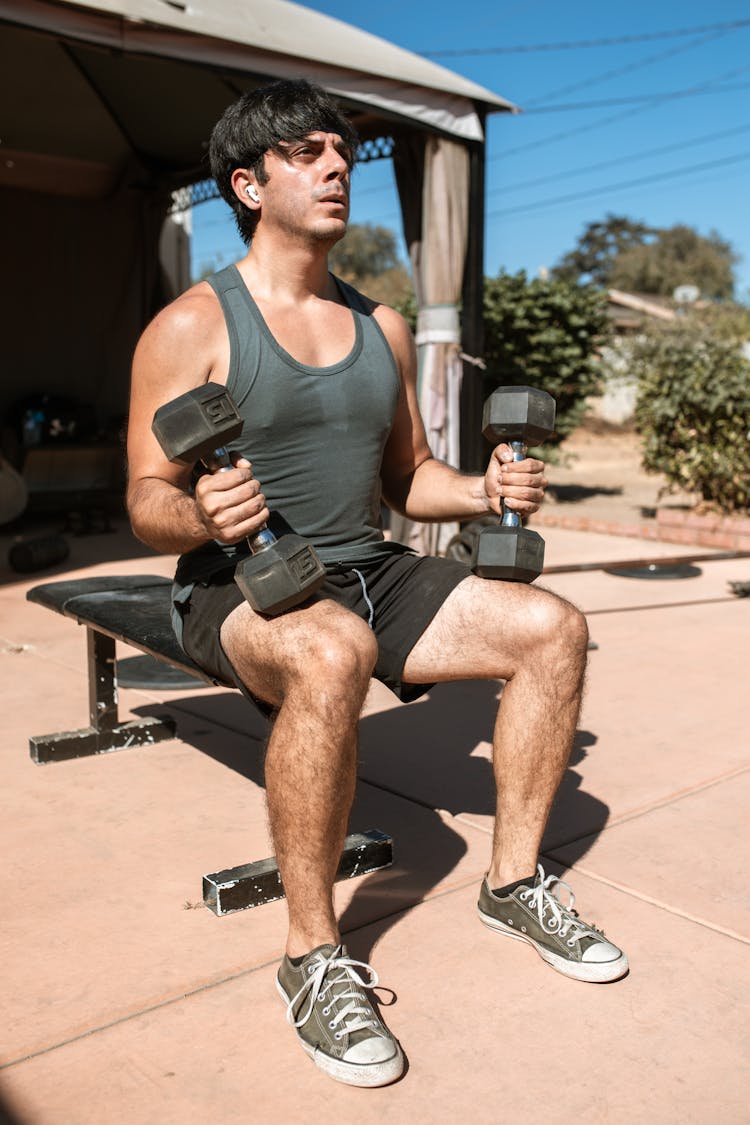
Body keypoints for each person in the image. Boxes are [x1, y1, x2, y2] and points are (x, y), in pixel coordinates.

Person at [127, 78, 628, 1089]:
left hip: (367, 566)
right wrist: (203, 515)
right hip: (238, 581)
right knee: (332, 650)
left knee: (553, 628)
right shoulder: (192, 324)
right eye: (308, 154)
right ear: (248, 183)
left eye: (342, 155)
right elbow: (144, 499)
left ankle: (514, 883)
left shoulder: (381, 326)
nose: (335, 169)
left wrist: (483, 487)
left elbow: (408, 479)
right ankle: (313, 958)